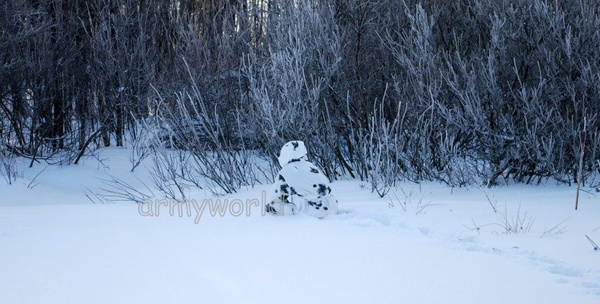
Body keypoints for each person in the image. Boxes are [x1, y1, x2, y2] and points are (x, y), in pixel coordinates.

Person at [265, 141, 338, 217]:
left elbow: (278, 196)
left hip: (311, 211)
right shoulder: (311, 166)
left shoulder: (286, 172)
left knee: (273, 205)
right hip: (332, 206)